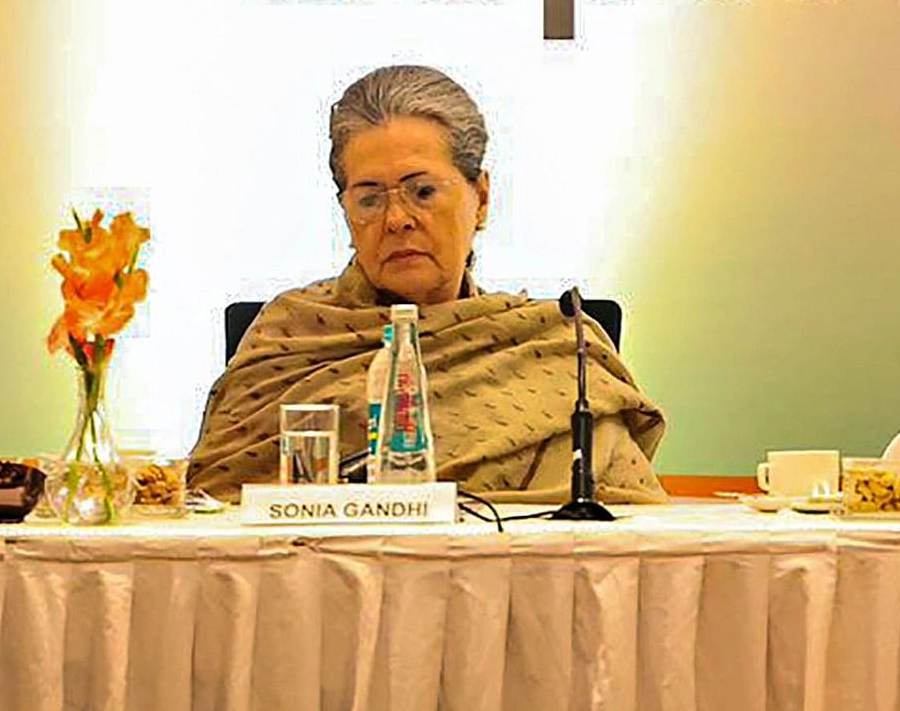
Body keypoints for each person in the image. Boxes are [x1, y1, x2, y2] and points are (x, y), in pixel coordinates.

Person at [189, 64, 669, 502]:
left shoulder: (558, 348)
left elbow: (627, 530)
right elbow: (216, 511)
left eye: (422, 192)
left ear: (480, 198)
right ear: (346, 211)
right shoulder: (289, 337)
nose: (397, 219)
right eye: (370, 199)